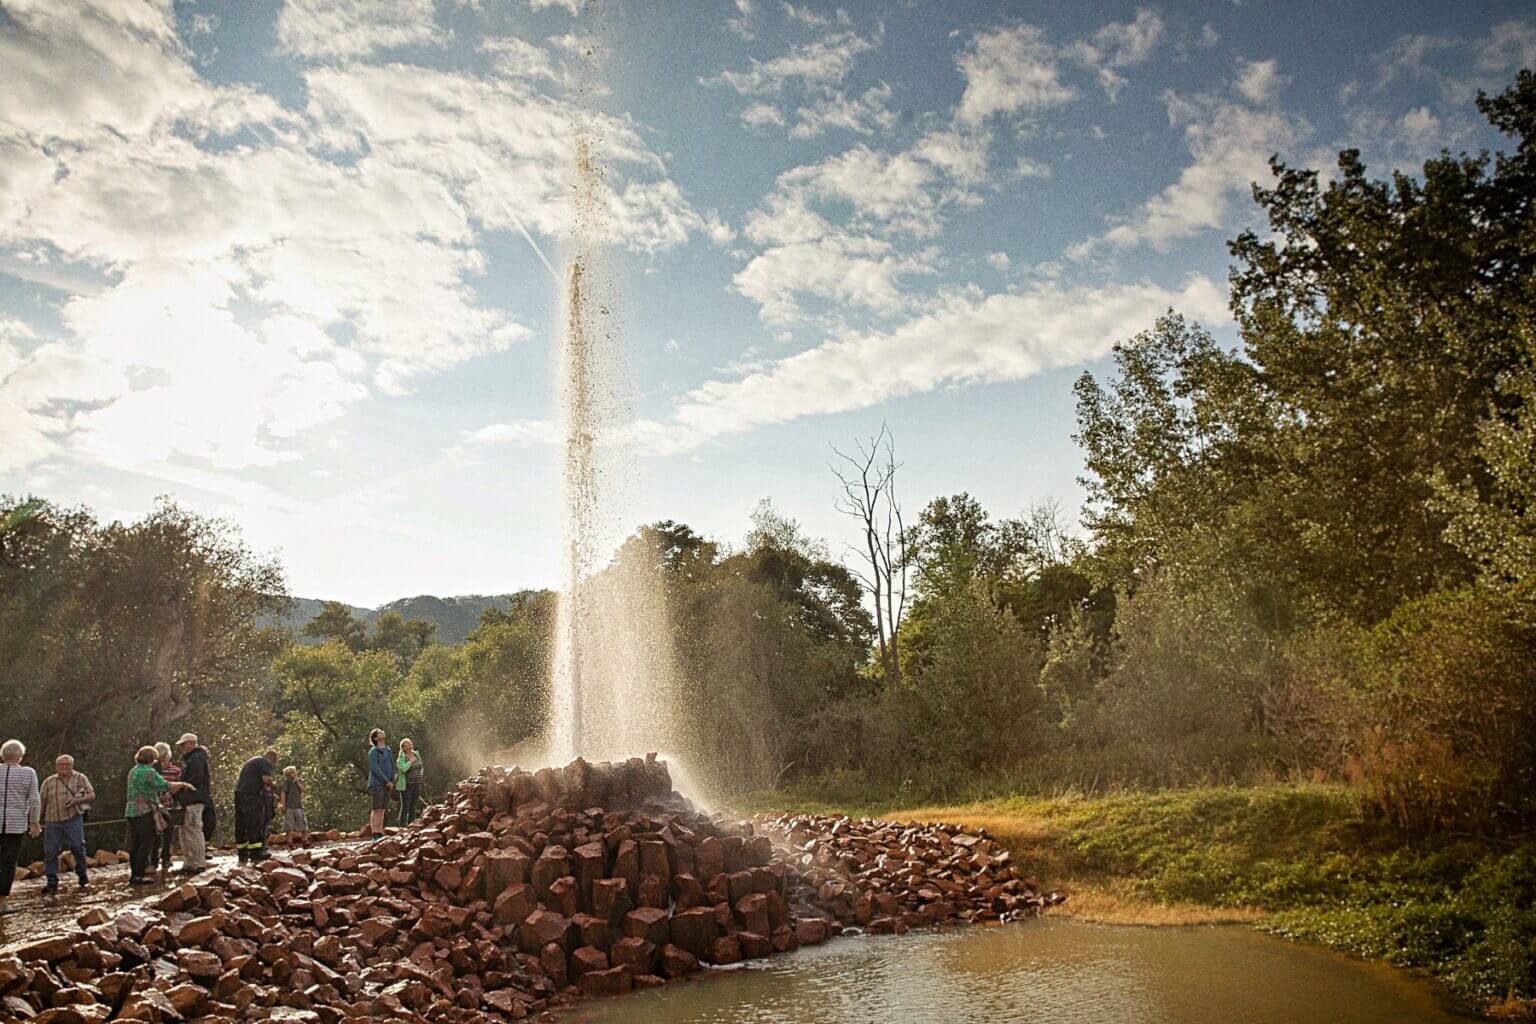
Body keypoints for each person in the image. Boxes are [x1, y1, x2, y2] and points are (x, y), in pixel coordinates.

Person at [125, 746, 190, 885]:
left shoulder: (133, 771)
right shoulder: (149, 772)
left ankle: (134, 874)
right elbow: (165, 785)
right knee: (146, 843)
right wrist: (182, 783)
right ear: (152, 759)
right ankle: (139, 875)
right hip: (145, 811)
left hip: (131, 811)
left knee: (135, 844)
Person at [38, 754, 94, 893]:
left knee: (77, 847)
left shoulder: (80, 777)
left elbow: (91, 795)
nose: (64, 767)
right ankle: (51, 882)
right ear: (56, 766)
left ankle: (82, 875)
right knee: (50, 851)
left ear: (72, 765)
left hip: (73, 818)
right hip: (52, 820)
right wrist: (36, 821)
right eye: (61, 765)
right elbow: (42, 802)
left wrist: (76, 800)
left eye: (67, 764)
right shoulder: (48, 781)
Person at [0, 739, 41, 915]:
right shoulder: (28, 773)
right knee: (8, 862)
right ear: (20, 757)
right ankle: (1, 901)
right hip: (16, 823)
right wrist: (34, 822)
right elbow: (34, 799)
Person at [174, 734, 211, 874]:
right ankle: (190, 862)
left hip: (194, 799)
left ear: (191, 743)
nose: (183, 748)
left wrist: (182, 786)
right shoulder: (194, 758)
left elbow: (196, 777)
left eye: (184, 745)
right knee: (186, 831)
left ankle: (197, 862)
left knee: (193, 830)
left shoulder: (196, 758)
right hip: (190, 799)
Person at [233, 749, 276, 864]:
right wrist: (273, 785)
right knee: (255, 823)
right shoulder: (264, 762)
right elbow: (266, 779)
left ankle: (242, 854)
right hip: (251, 796)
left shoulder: (252, 761)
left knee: (241, 824)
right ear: (272, 758)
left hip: (239, 795)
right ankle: (257, 853)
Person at [152, 742, 182, 873]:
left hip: (169, 805)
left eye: (164, 756)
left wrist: (171, 795)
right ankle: (153, 859)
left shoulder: (175, 770)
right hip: (154, 805)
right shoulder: (152, 770)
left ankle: (166, 857)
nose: (163, 759)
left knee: (168, 832)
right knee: (154, 834)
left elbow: (179, 787)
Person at [366, 728, 394, 837]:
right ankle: (375, 833)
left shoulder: (388, 750)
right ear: (376, 738)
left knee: (382, 809)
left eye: (382, 732)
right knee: (377, 808)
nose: (383, 733)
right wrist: (386, 781)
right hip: (377, 784)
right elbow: (375, 768)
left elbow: (392, 765)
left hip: (388, 784)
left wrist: (391, 780)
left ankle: (380, 831)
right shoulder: (373, 751)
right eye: (380, 733)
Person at [396, 739, 424, 826]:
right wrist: (410, 762)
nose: (409, 744)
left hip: (417, 784)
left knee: (413, 807)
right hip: (407, 786)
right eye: (407, 744)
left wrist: (421, 774)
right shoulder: (400, 759)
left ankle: (412, 826)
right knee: (405, 807)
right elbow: (403, 769)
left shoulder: (416, 754)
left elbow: (421, 765)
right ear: (403, 747)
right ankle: (402, 827)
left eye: (410, 743)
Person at [279, 766, 308, 843]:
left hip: (298, 806)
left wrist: (297, 782)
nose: (292, 774)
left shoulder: (298, 781)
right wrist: (283, 804)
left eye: (293, 772)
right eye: (290, 773)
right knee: (289, 825)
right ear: (287, 774)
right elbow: (283, 793)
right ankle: (290, 842)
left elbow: (303, 789)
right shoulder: (287, 781)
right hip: (289, 806)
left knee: (302, 823)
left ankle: (305, 840)